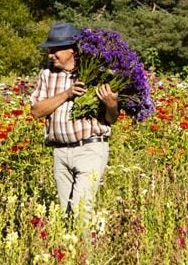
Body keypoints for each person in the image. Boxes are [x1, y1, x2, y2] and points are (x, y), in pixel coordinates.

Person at [29, 21, 120, 217]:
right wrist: (67, 93)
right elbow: (36, 110)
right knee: (66, 213)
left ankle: (86, 248)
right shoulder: (47, 74)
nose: (50, 55)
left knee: (80, 210)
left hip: (90, 149)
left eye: (55, 50)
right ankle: (71, 247)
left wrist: (112, 103)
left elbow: (111, 119)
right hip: (60, 152)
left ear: (72, 50)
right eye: (49, 50)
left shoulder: (97, 73)